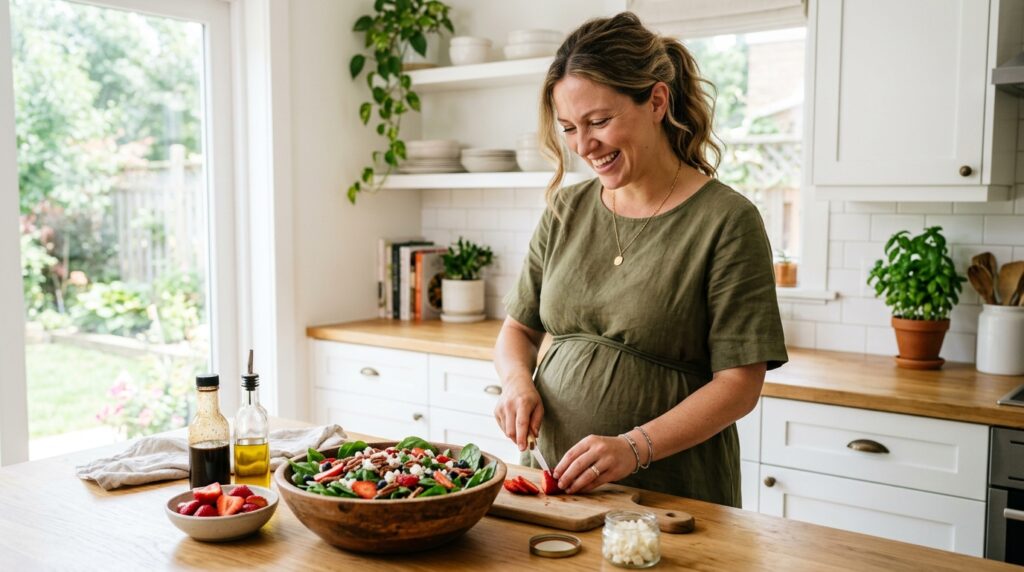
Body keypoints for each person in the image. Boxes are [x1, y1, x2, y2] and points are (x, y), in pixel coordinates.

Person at [492, 12, 788, 507]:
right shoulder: (567, 209)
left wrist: (634, 448)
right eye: (568, 127)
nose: (584, 147)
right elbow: (517, 331)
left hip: (672, 495)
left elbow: (740, 384)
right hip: (555, 490)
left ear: (656, 100)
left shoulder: (727, 220)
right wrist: (516, 383)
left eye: (599, 122)